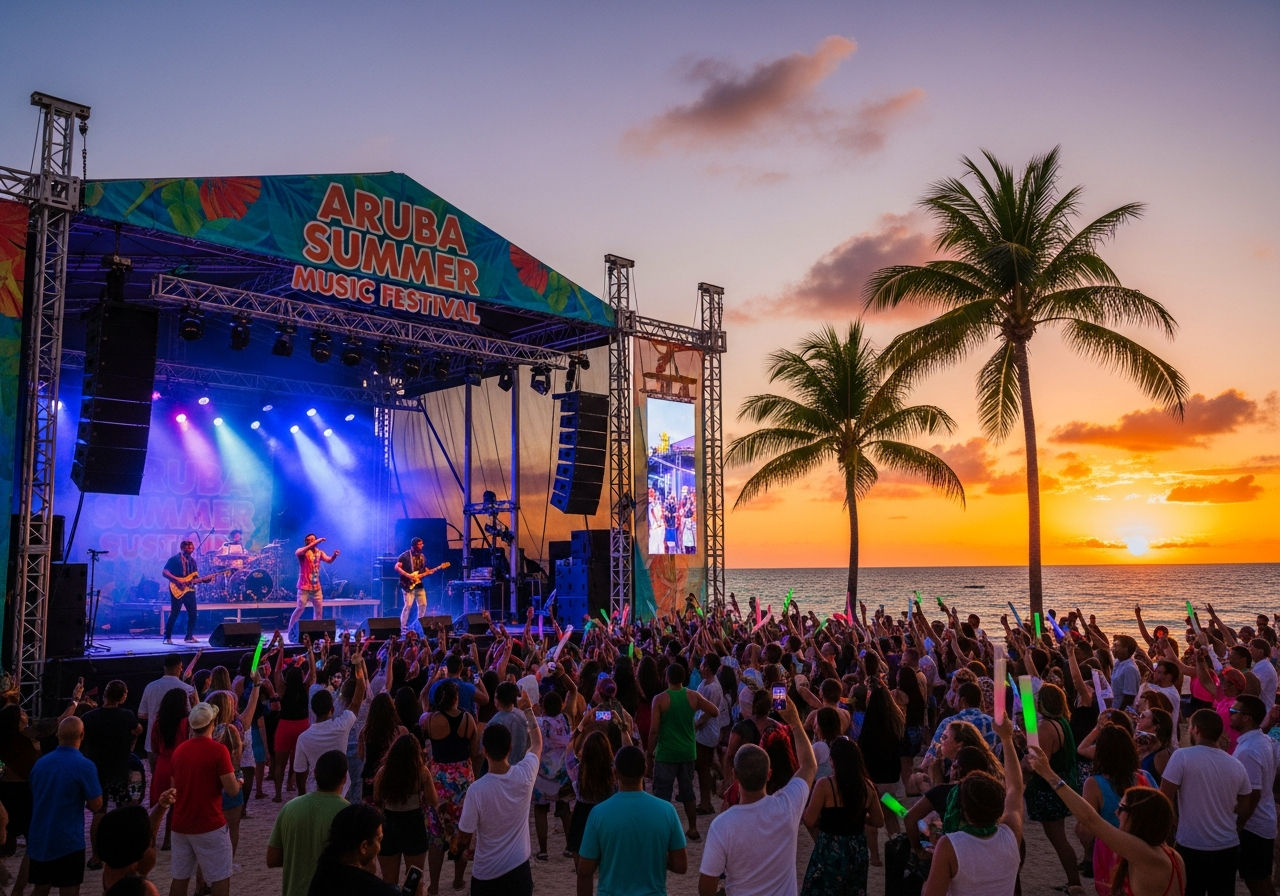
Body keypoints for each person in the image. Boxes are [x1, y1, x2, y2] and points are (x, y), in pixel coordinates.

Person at [1026, 745, 1185, 896]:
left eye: (1122, 807)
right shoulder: (1171, 854)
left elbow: (1090, 819)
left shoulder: (1144, 854)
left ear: (1139, 816)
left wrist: (1048, 774)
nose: (1116, 812)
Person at [697, 695, 816, 896]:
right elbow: (809, 766)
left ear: (735, 775)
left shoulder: (723, 825)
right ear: (769, 774)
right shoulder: (787, 806)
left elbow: (706, 888)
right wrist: (795, 722)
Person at [920, 716, 1024, 896]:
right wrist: (1006, 739)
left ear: (962, 806)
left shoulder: (950, 845)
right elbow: (1015, 787)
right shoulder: (1011, 835)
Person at [456, 690, 543, 896]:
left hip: (487, 872)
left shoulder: (476, 790)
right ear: (510, 747)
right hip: (519, 867)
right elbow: (537, 743)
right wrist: (527, 709)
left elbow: (464, 836)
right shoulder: (525, 774)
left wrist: (462, 851)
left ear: (484, 751)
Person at [1160, 707, 1253, 896]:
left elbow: (1164, 798)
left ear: (1195, 730)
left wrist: (1173, 827)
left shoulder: (1182, 756)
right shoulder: (1236, 764)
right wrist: (1234, 827)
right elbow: (1245, 806)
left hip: (1191, 844)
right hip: (1227, 845)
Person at [576, 744, 687, 896]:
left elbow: (584, 871)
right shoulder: (667, 811)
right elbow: (680, 865)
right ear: (645, 769)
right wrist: (655, 856)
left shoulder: (599, 813)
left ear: (615, 773)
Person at [167, 702, 241, 896]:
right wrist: (239, 780)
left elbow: (173, 789)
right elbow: (232, 790)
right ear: (212, 723)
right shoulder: (218, 751)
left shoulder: (179, 751)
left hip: (181, 823)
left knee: (180, 878)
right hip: (209, 823)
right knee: (220, 877)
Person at [26, 716, 103, 896]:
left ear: (58, 735)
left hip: (40, 837)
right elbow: (96, 804)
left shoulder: (40, 764)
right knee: (69, 889)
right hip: (69, 840)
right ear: (82, 735)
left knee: (40, 888)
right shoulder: (85, 765)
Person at [800, 736, 884, 896]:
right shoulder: (867, 786)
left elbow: (809, 820)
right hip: (856, 849)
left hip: (830, 848)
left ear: (833, 761)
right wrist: (858, 815)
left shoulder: (825, 785)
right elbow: (878, 821)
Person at [648, 663, 719, 842]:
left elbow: (654, 730)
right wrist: (696, 722)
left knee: (662, 794)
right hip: (687, 751)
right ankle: (693, 828)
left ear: (667, 678)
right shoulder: (693, 696)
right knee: (688, 792)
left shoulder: (660, 699)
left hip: (666, 753)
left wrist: (649, 752)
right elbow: (714, 711)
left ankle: (661, 831)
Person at [268, 750, 352, 896]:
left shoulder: (290, 807)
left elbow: (272, 858)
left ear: (315, 773)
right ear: (344, 778)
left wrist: (299, 857)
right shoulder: (349, 813)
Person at [80, 679, 143, 869]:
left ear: (105, 694)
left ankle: (97, 856)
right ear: (123, 697)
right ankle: (122, 851)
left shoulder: (89, 717)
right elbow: (138, 730)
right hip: (120, 767)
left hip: (97, 769)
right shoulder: (127, 715)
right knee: (123, 810)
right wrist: (130, 743)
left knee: (99, 813)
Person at [372, 733, 439, 891]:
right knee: (415, 879)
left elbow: (376, 798)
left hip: (389, 822)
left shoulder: (383, 772)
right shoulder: (421, 772)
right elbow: (433, 800)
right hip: (413, 823)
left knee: (389, 880)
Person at [1228, 694, 1278, 896]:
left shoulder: (1249, 750)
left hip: (1253, 825)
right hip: (1263, 820)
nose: (1230, 715)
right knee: (1259, 878)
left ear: (1246, 717)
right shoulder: (1263, 740)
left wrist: (1238, 825)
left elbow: (1252, 794)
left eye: (1234, 712)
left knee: (1256, 880)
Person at [295, 654, 366, 794]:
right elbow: (358, 698)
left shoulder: (303, 738)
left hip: (313, 791)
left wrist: (302, 797)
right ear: (332, 709)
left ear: (313, 710)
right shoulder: (342, 726)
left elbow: (300, 772)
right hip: (340, 791)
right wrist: (358, 666)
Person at [306, 803, 399, 896]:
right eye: (379, 840)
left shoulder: (323, 873)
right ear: (364, 846)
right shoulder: (378, 890)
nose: (379, 847)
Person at [138, 656, 196, 757]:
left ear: (164, 667)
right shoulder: (188, 689)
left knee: (156, 772)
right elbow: (196, 716)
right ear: (180, 667)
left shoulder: (150, 687)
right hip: (180, 744)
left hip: (153, 743)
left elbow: (142, 714)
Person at [161, 540, 215, 644]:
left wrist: (205, 580)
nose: (191, 549)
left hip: (189, 589)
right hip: (177, 587)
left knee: (193, 613)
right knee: (174, 613)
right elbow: (165, 572)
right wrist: (177, 581)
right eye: (188, 547)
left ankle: (189, 637)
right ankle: (167, 637)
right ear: (182, 548)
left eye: (191, 547)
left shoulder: (193, 561)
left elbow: (195, 578)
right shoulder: (174, 559)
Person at [289, 534, 339, 637]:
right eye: (309, 540)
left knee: (319, 611)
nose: (311, 542)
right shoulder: (302, 551)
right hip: (304, 587)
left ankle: (316, 633)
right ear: (306, 542)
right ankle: (291, 630)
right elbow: (298, 552)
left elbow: (329, 560)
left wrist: (334, 555)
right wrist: (318, 541)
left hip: (316, 587)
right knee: (300, 608)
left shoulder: (319, 553)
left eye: (313, 540)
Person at [394, 537, 445, 634]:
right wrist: (408, 575)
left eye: (422, 544)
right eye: (420, 544)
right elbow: (396, 567)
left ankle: (418, 625)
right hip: (407, 584)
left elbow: (422, 570)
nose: (422, 546)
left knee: (423, 604)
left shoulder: (422, 556)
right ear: (414, 546)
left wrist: (428, 571)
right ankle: (403, 628)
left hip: (418, 584)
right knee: (408, 605)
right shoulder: (405, 556)